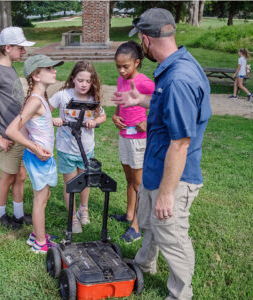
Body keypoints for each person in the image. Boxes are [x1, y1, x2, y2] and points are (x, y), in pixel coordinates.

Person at [112, 8, 211, 300]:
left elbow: (180, 142)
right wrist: (140, 99)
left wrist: (167, 193)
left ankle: (180, 294)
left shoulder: (179, 78)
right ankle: (145, 264)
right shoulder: (173, 67)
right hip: (156, 167)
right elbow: (164, 107)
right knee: (150, 223)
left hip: (175, 176)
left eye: (140, 42)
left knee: (172, 235)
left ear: (145, 40)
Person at [0, 27, 35, 230]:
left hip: (19, 134)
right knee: (7, 177)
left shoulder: (10, 68)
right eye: (20, 48)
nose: (24, 52)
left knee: (20, 176)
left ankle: (18, 215)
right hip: (7, 136)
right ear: (8, 47)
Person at [6, 55, 63, 253]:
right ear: (36, 75)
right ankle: (40, 243)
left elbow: (25, 127)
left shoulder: (40, 99)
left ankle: (36, 234)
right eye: (49, 69)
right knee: (40, 200)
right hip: (39, 158)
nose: (54, 71)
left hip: (43, 156)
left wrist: (50, 121)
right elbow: (12, 131)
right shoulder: (35, 101)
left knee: (45, 195)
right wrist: (35, 147)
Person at [49, 61, 106, 234]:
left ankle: (83, 208)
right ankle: (72, 217)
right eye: (80, 80)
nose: (84, 84)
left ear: (92, 82)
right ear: (73, 79)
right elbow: (45, 110)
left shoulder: (92, 99)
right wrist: (54, 119)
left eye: (88, 81)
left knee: (85, 180)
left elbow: (102, 116)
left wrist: (94, 121)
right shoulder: (62, 96)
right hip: (66, 148)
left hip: (86, 148)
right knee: (71, 184)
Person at [109, 41, 155, 243]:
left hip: (139, 140)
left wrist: (147, 121)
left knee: (138, 184)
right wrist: (115, 116)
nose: (121, 70)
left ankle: (136, 225)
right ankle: (129, 215)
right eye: (118, 66)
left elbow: (162, 102)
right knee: (129, 180)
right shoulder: (121, 80)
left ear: (136, 62)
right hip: (124, 136)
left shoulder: (144, 81)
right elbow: (121, 102)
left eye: (125, 66)